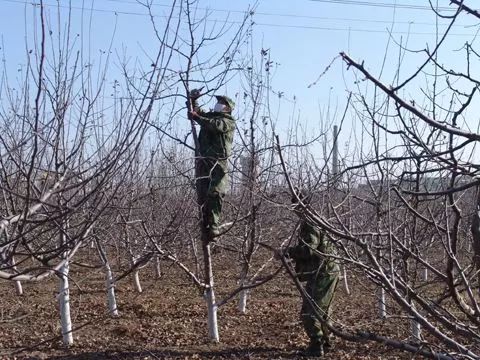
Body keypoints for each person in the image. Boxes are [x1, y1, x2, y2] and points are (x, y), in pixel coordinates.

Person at [286, 190, 339, 357]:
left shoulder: (310, 222)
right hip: (330, 269)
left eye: (295, 205)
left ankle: (317, 345)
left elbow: (309, 249)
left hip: (323, 271)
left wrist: (289, 252)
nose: (294, 209)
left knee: (310, 310)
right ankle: (326, 342)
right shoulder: (317, 217)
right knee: (323, 308)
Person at [187, 90, 236, 241]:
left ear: (227, 108)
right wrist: (193, 100)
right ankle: (205, 229)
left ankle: (213, 226)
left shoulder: (228, 121)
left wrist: (197, 118)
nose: (218, 105)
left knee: (215, 193)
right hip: (203, 160)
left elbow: (215, 126)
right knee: (202, 193)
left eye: (222, 103)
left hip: (218, 162)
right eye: (219, 102)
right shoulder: (210, 116)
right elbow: (198, 112)